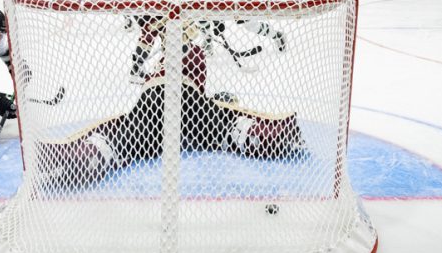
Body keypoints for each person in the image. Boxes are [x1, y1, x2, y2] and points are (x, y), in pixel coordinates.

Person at [36, 41, 305, 187]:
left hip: (153, 98)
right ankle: (263, 134)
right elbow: (200, 97)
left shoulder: (164, 57)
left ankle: (90, 153)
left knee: (126, 136)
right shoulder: (194, 53)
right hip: (182, 95)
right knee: (223, 125)